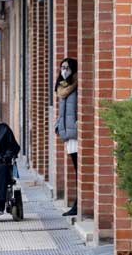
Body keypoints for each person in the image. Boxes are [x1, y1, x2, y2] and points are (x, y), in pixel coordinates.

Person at [54, 58, 78, 216]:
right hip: (68, 135)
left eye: (67, 68)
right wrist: (58, 125)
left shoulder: (77, 86)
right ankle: (77, 205)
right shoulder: (63, 88)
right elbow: (63, 112)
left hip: (76, 135)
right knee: (77, 170)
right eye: (62, 67)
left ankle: (78, 205)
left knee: (79, 171)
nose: (64, 70)